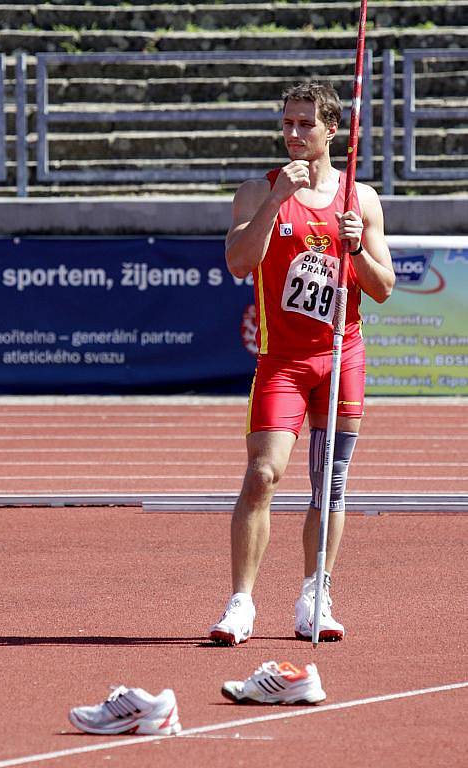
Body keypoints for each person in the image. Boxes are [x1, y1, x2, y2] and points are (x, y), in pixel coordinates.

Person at [209, 81, 395, 646]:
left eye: (304, 124)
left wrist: (355, 247)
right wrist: (272, 204)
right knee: (263, 473)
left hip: (342, 355)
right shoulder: (254, 191)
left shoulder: (359, 199)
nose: (293, 134)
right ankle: (241, 602)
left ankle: (317, 592)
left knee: (329, 484)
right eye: (287, 124)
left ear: (331, 130)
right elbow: (239, 263)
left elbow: (383, 287)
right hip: (283, 361)